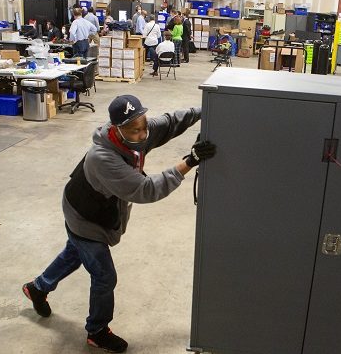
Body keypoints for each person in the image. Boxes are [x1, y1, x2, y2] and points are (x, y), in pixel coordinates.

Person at [23, 95, 215, 353]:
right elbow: (146, 190)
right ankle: (97, 331)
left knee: (74, 253)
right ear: (116, 129)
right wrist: (189, 160)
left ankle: (37, 288)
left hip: (87, 207)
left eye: (144, 126)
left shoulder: (137, 132)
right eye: (134, 131)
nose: (142, 134)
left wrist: (209, 109)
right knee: (104, 276)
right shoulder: (103, 157)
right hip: (85, 218)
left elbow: (170, 123)